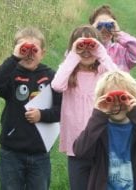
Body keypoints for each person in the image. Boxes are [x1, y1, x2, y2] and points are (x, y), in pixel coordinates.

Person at [0, 26, 62, 190]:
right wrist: (14, 58)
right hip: (11, 151)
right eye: (24, 49)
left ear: (43, 52)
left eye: (33, 50)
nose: (28, 54)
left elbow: (61, 110)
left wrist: (42, 115)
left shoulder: (50, 76)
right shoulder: (11, 74)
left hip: (40, 152)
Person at [50, 25, 118, 190]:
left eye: (91, 46)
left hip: (102, 143)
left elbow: (118, 79)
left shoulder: (102, 72)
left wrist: (101, 52)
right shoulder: (68, 73)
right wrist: (73, 55)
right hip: (76, 145)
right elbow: (57, 85)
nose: (86, 51)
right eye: (81, 47)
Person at [73, 70, 136, 190]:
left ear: (134, 100)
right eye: (109, 99)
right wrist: (98, 116)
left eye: (123, 98)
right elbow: (80, 151)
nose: (117, 104)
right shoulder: (98, 129)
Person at [89, 5, 136, 72]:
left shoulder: (120, 51)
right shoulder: (87, 51)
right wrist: (91, 33)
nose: (104, 29)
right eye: (99, 26)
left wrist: (118, 34)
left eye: (109, 25)